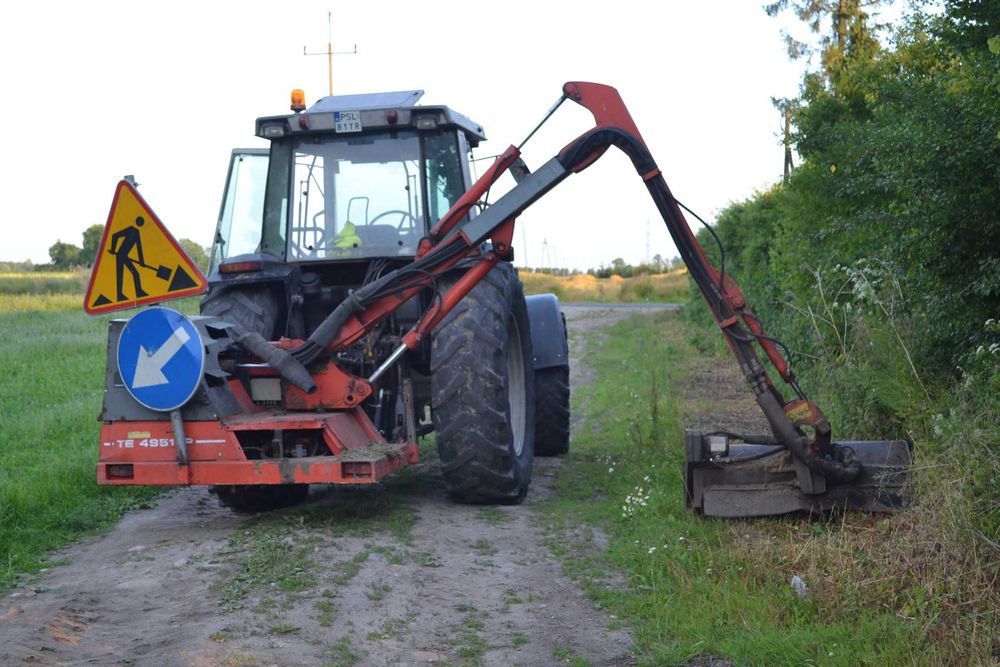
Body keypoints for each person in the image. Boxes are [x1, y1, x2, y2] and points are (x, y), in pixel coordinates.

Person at [109, 216, 149, 300]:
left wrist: (142, 261)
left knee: (134, 273)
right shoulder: (130, 230)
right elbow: (115, 235)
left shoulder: (137, 232)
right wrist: (113, 249)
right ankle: (120, 295)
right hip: (120, 255)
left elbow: (139, 248)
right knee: (120, 275)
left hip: (124, 256)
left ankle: (139, 292)